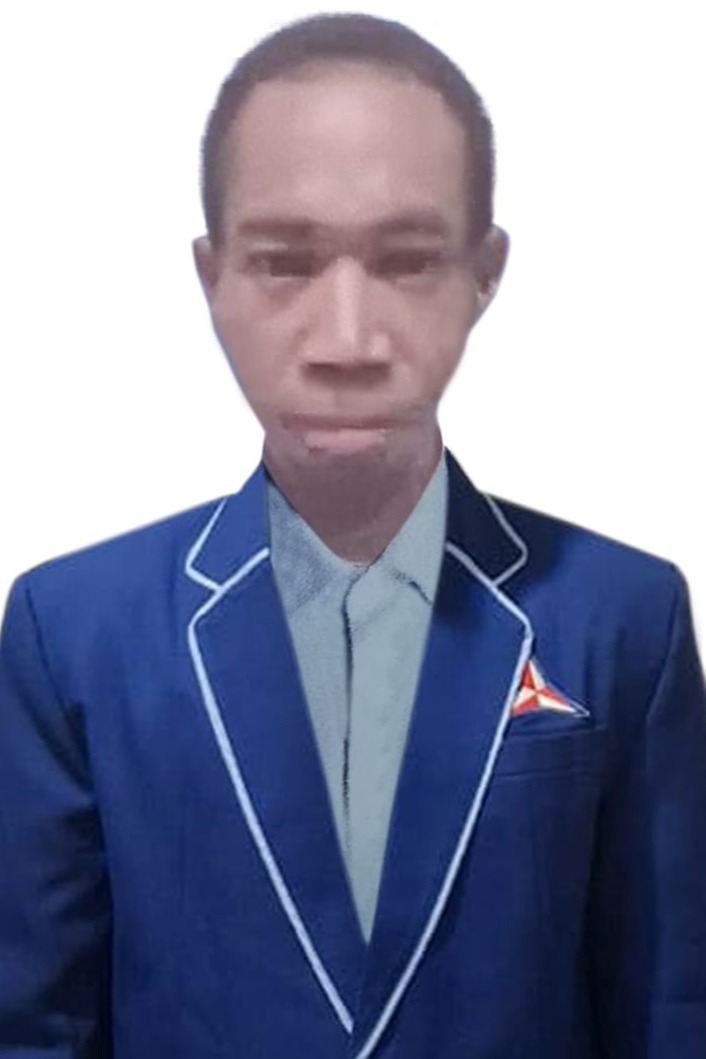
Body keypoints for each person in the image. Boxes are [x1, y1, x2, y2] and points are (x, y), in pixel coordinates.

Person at [1, 11, 705, 1058]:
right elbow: (33, 1025)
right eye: (283, 263)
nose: (345, 340)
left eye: (408, 261)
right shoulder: (73, 633)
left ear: (485, 272)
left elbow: (670, 1012)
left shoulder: (623, 618)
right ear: (211, 276)